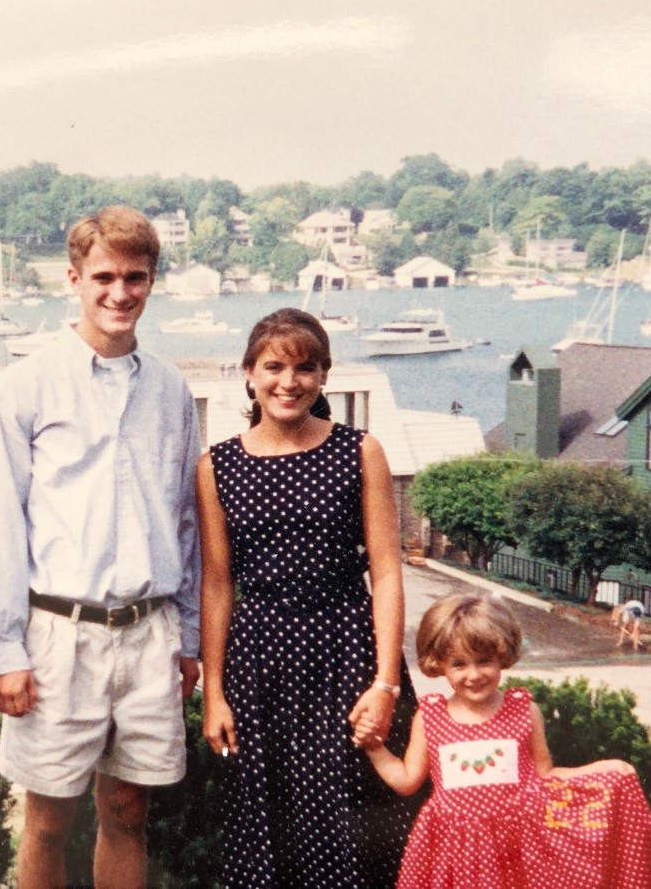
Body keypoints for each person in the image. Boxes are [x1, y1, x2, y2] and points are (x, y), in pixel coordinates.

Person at [0, 206, 201, 889]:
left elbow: (185, 523)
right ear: (74, 278)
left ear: (153, 281)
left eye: (136, 277)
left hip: (150, 635)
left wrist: (185, 636)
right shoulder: (25, 386)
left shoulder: (171, 389)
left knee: (128, 811)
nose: (120, 292)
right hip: (57, 637)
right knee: (47, 821)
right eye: (104, 276)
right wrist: (5, 651)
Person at [198, 308, 421, 888]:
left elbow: (387, 572)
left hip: (347, 653)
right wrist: (213, 693)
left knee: (359, 819)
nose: (288, 382)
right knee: (267, 825)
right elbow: (219, 583)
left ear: (324, 376)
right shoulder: (217, 466)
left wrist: (386, 681)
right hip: (259, 663)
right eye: (273, 366)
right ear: (249, 374)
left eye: (305, 368)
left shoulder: (359, 450)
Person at [357, 594, 651, 889]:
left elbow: (545, 774)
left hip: (520, 851)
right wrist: (375, 747)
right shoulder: (430, 718)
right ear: (438, 664)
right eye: (459, 664)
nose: (473, 674)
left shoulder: (523, 710)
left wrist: (605, 769)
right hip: (453, 853)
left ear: (502, 655)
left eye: (484, 660)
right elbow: (407, 780)